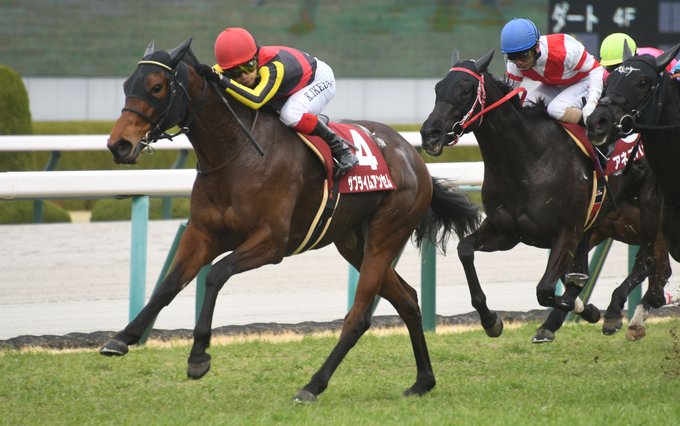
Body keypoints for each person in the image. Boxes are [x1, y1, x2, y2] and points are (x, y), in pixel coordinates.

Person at [194, 27, 358, 179]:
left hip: (318, 80)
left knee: (290, 114)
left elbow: (256, 100)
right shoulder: (222, 69)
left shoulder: (273, 66)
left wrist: (223, 80)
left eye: (248, 66)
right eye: (235, 72)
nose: (243, 76)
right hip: (286, 88)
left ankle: (342, 150)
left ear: (256, 58)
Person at [500, 18, 604, 125]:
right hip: (555, 85)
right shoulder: (513, 65)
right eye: (512, 56)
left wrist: (591, 103)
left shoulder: (565, 50)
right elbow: (510, 96)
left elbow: (596, 69)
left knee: (556, 109)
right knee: (526, 106)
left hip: (584, 80)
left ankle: (596, 125)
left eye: (524, 55)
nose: (519, 63)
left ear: (536, 47)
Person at [599, 32, 678, 75]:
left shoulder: (656, 59)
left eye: (620, 66)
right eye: (611, 68)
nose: (618, 71)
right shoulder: (603, 75)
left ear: (635, 56)